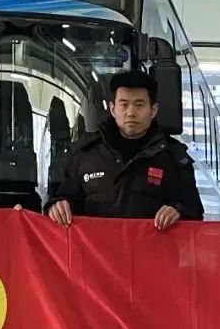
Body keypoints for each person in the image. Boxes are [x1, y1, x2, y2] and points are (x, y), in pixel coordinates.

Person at [45, 71, 203, 230]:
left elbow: (194, 211)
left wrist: (178, 211)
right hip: (95, 246)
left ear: (153, 110)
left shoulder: (173, 157)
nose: (131, 113)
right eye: (124, 104)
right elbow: (63, 199)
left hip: (151, 246)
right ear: (112, 109)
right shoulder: (85, 154)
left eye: (139, 105)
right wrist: (57, 206)